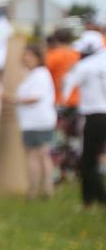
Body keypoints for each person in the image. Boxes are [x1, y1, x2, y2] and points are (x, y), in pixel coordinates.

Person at [7, 44, 57, 199]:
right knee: (38, 155)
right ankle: (42, 188)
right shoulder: (34, 74)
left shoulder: (40, 74)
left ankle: (38, 189)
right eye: (25, 55)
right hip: (34, 121)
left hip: (37, 120)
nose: (27, 58)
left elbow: (35, 97)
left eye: (30, 55)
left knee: (37, 155)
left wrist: (13, 99)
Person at [62, 30, 106, 207]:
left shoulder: (85, 66)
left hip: (94, 115)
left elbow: (66, 86)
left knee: (88, 161)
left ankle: (94, 199)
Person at [46, 28, 81, 181]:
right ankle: (73, 171)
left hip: (59, 101)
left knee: (58, 140)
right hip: (77, 101)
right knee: (74, 140)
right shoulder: (77, 54)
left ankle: (57, 174)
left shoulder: (53, 56)